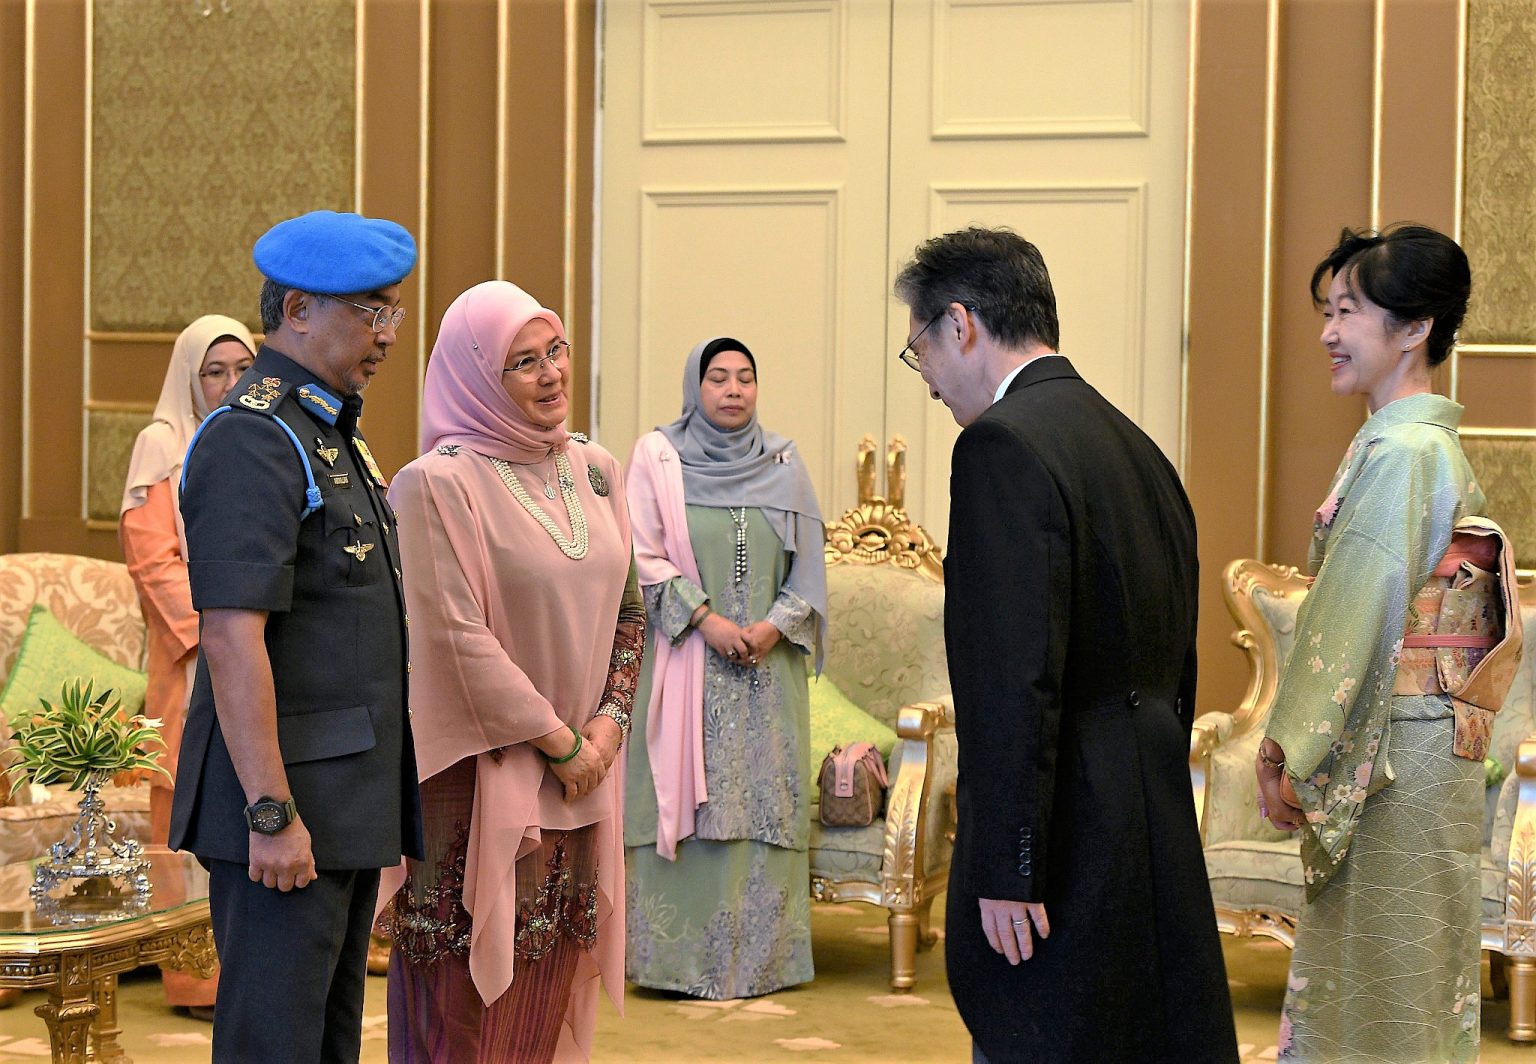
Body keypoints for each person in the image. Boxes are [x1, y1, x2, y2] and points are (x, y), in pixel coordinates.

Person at [894, 227, 1238, 1062]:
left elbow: (1012, 678)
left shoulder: (1001, 445)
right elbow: (1176, 660)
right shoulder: (1139, 448)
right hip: (1148, 818)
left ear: (961, 324)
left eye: (920, 347)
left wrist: (1009, 866)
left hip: (1061, 841)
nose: (926, 377)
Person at [1255, 225, 1519, 1063]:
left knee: (1390, 974)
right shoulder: (1404, 444)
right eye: (1327, 312)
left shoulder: (1407, 450)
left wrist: (1289, 745)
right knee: (1386, 972)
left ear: (1415, 327)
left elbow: (1358, 609)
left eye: (1348, 312)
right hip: (1407, 742)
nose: (1328, 333)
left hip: (1396, 755)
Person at [170, 210, 424, 1063]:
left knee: (326, 1046)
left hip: (341, 802)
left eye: (392, 310)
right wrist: (271, 814)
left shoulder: (326, 431)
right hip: (284, 812)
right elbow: (230, 637)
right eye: (371, 311)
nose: (388, 333)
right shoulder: (253, 436)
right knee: (272, 1047)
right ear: (299, 310)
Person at [379, 280, 642, 1063]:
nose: (552, 373)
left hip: (581, 782)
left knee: (544, 1000)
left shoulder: (597, 469)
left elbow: (631, 613)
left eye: (556, 350)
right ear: (475, 378)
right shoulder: (435, 483)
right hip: (481, 784)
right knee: (464, 1021)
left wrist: (606, 728)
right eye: (523, 362)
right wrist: (562, 742)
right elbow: (453, 639)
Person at [623, 337, 826, 999]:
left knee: (762, 804)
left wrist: (772, 626)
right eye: (718, 377)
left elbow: (809, 570)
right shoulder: (658, 458)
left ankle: (762, 967)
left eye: (745, 377)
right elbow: (640, 555)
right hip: (686, 661)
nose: (733, 390)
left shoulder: (784, 462)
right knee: (692, 799)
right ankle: (673, 966)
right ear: (695, 386)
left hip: (769, 674)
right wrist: (706, 620)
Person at [119, 313, 254, 1018]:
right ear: (189, 378)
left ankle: (251, 972)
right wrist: (220, 631)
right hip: (195, 656)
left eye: (242, 369)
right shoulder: (162, 444)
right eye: (214, 371)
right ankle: (197, 980)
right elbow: (151, 559)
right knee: (187, 801)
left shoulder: (260, 438)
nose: (230, 384)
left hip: (258, 649)